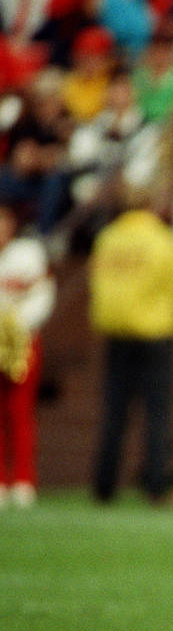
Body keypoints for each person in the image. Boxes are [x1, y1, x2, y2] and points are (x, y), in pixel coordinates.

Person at [89, 178, 173, 504]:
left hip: (116, 333)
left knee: (114, 413)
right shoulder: (161, 239)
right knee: (157, 413)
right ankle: (155, 486)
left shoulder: (108, 238)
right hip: (155, 332)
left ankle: (104, 486)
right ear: (151, 205)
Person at [0, 200, 54, 507]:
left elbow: (43, 294)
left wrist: (16, 327)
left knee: (20, 412)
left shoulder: (27, 255)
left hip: (21, 342)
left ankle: (22, 479)